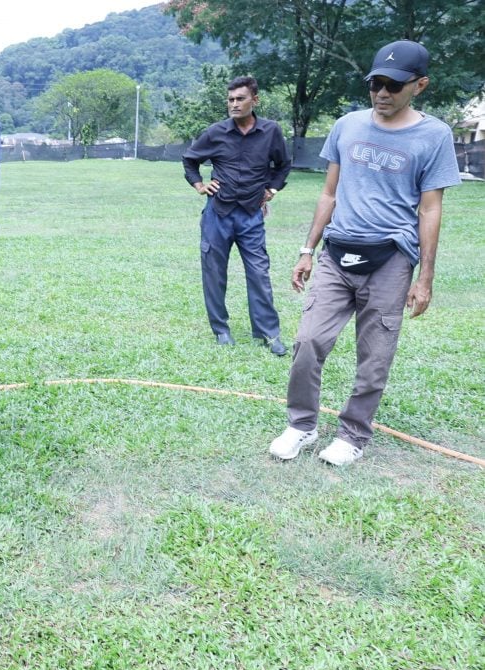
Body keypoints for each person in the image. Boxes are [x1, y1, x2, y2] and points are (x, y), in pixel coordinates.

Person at [269, 40, 460, 466]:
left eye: (394, 85)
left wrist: (425, 277)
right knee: (308, 341)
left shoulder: (434, 136)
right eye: (376, 84)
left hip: (390, 258)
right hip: (337, 253)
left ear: (420, 85)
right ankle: (301, 425)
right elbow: (329, 193)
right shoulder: (347, 125)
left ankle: (353, 434)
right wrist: (307, 250)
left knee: (374, 356)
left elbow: (430, 208)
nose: (382, 93)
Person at [182, 76, 291, 355]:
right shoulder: (216, 132)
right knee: (214, 272)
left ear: (255, 100)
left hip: (251, 215)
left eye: (240, 99)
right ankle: (221, 330)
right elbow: (190, 159)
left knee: (259, 272)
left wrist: (273, 189)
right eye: (230, 99)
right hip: (218, 213)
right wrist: (199, 185)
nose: (234, 104)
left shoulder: (270, 131)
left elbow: (283, 164)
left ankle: (269, 334)